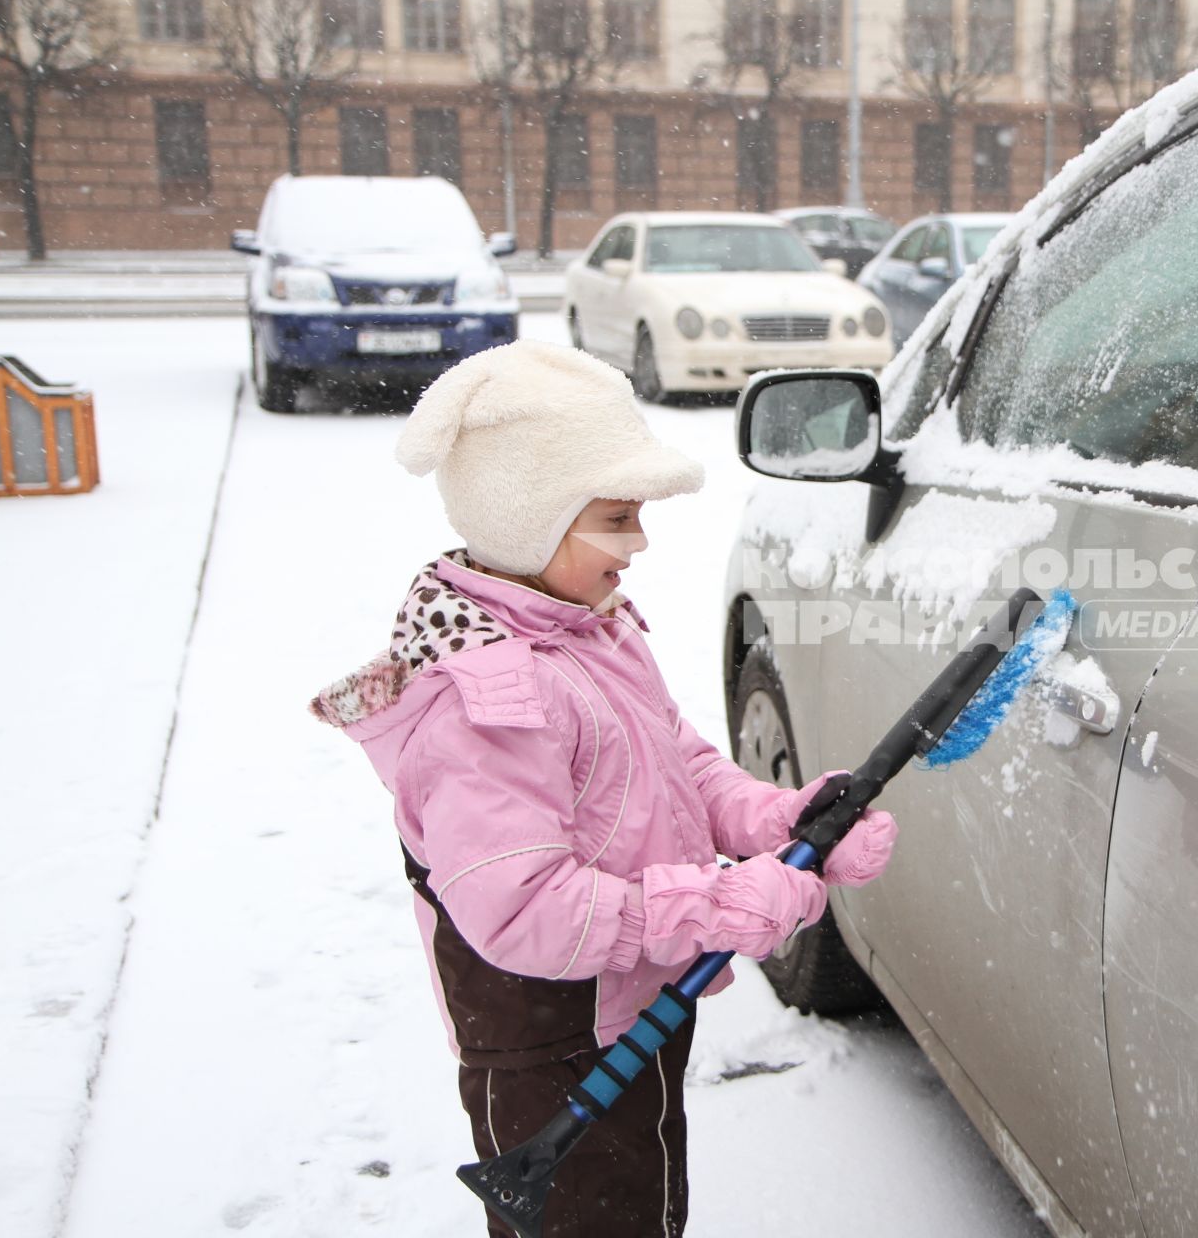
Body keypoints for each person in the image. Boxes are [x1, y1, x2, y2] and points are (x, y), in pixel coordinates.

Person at [309, 340, 896, 1237]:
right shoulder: (487, 699)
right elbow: (525, 912)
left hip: (626, 1008)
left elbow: (678, 764)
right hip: (553, 1041)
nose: (640, 543)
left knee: (644, 1207)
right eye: (616, 518)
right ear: (528, 521)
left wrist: (781, 819)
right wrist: (720, 902)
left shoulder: (588, 628)